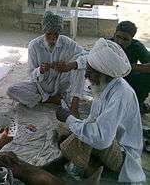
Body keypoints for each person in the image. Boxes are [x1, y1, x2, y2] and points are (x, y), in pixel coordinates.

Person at [56, 38, 146, 184]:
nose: (86, 76)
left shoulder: (121, 94)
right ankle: (87, 164)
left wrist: (69, 118)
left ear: (103, 73)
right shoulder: (105, 84)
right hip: (109, 139)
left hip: (123, 155)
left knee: (81, 130)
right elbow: (94, 122)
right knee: (66, 129)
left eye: (90, 72)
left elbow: (101, 139)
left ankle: (79, 169)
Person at [7, 11, 86, 116]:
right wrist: (40, 70)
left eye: (56, 35)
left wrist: (69, 66)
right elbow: (31, 74)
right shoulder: (34, 45)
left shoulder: (67, 43)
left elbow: (87, 56)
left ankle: (74, 107)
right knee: (12, 90)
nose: (53, 38)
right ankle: (50, 99)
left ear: (59, 33)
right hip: (41, 87)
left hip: (61, 83)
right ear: (44, 32)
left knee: (80, 66)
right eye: (49, 34)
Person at [111, 21, 150, 112]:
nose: (120, 41)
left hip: (128, 80)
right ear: (114, 34)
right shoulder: (106, 44)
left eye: (125, 39)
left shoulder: (136, 46)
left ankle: (137, 105)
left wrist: (128, 67)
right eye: (118, 37)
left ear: (132, 39)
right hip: (108, 81)